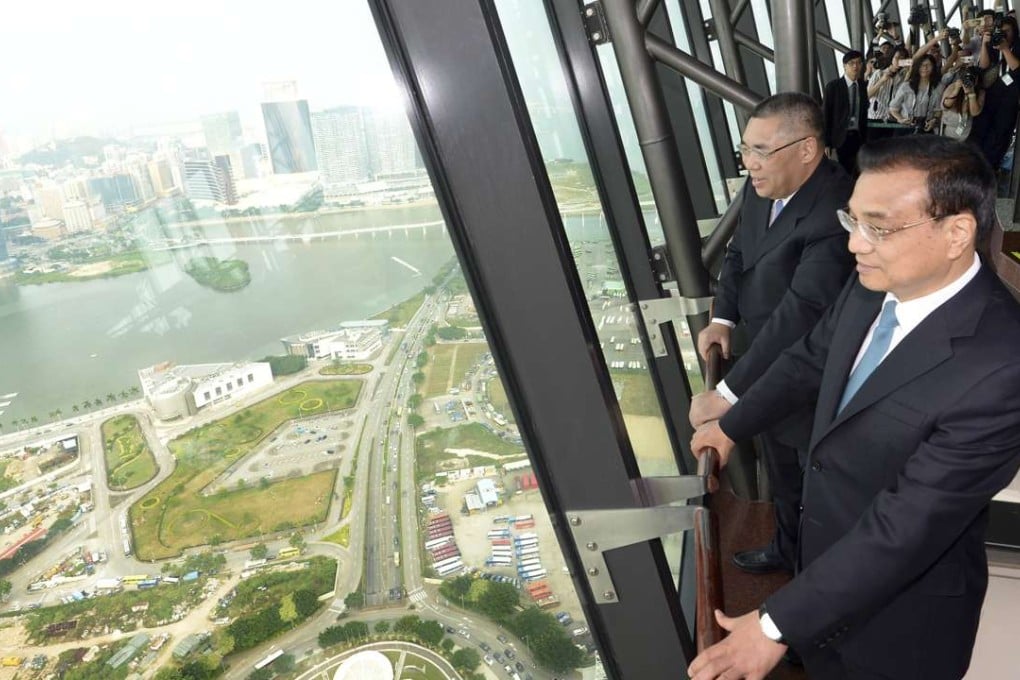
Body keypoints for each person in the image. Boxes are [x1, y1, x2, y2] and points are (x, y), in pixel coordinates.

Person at [687, 135, 1020, 680]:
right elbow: (809, 360)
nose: (855, 246)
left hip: (903, 623)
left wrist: (775, 624)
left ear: (957, 232)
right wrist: (731, 424)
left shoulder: (1003, 365)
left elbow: (905, 528)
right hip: (822, 573)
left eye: (878, 228)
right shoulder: (873, 285)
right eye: (852, 221)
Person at [694, 92, 854, 576]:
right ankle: (786, 548)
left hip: (811, 380)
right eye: (745, 149)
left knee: (822, 495)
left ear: (807, 149)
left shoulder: (834, 210)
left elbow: (802, 313)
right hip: (765, 364)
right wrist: (723, 317)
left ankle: (817, 597)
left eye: (760, 151)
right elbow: (740, 254)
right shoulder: (759, 190)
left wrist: (727, 392)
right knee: (781, 473)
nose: (749, 164)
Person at [824, 50, 869, 173]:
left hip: (858, 136)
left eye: (859, 63)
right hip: (839, 138)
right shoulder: (833, 87)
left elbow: (863, 113)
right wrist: (826, 143)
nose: (856, 66)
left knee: (857, 171)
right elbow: (826, 115)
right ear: (844, 66)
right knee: (841, 172)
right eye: (851, 63)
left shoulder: (862, 86)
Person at [888, 53, 944, 131]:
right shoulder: (906, 86)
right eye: (921, 65)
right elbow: (893, 108)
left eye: (928, 65)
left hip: (926, 127)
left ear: (933, 67)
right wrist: (900, 119)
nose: (925, 68)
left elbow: (938, 109)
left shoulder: (938, 87)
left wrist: (934, 120)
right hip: (906, 127)